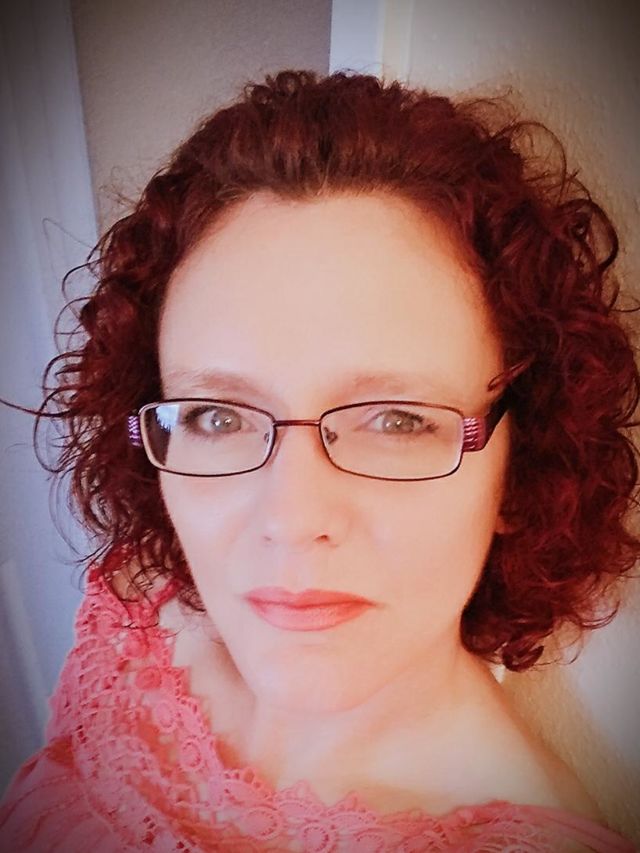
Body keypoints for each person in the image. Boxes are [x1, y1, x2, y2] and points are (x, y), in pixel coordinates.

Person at [0, 69, 638, 852]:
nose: (291, 518)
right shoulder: (138, 612)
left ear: (522, 458)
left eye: (397, 419)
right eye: (216, 415)